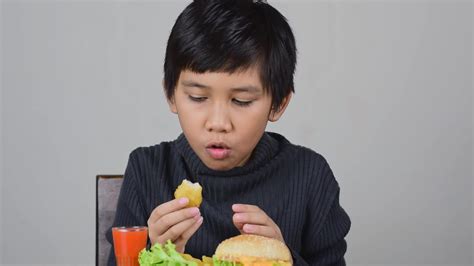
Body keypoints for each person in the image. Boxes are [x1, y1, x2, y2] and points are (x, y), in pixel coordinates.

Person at [107, 0, 351, 265]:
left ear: (278, 103)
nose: (219, 122)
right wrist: (153, 254)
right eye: (198, 97)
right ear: (171, 95)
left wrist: (286, 259)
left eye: (242, 101)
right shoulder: (147, 171)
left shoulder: (309, 176)